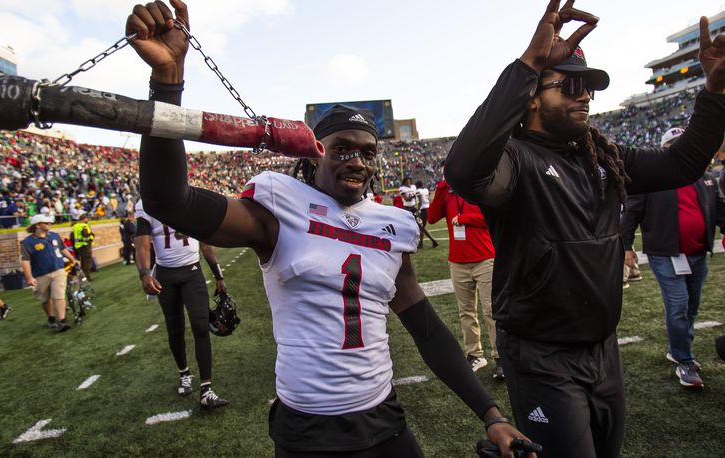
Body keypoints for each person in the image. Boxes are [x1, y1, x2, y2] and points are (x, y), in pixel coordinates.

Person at [128, 2, 530, 456]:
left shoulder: (392, 225)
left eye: (366, 152)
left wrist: (491, 415)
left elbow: (427, 330)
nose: (356, 160)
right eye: (341, 149)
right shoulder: (278, 209)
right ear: (314, 155)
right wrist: (167, 82)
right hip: (307, 430)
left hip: (384, 419)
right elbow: (168, 200)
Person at [444, 1, 725, 456]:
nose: (585, 96)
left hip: (602, 347)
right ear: (532, 95)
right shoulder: (514, 159)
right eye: (570, 85)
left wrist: (714, 92)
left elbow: (683, 163)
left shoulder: (603, 156)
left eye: (589, 88)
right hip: (541, 356)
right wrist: (529, 64)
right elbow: (462, 171)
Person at [620, 127, 725, 389]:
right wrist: (626, 245)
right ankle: (684, 359)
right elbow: (631, 213)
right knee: (678, 305)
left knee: (691, 306)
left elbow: (719, 210)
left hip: (698, 252)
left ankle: (679, 347)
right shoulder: (651, 179)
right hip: (666, 253)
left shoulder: (705, 177)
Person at [134, 199, 229, 410]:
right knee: (174, 327)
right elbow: (142, 243)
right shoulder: (146, 204)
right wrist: (143, 273)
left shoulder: (190, 198)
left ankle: (206, 389)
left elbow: (205, 242)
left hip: (192, 272)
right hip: (165, 274)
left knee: (200, 325)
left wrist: (218, 276)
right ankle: (184, 373)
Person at [427, 175, 500, 379]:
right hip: (458, 261)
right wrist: (442, 187)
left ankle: (500, 357)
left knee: (491, 310)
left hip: (485, 259)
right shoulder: (448, 194)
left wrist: (466, 219)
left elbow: (493, 217)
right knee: (466, 312)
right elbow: (432, 217)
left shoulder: (479, 189)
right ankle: (475, 354)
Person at [21, 214, 77, 331]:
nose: (49, 224)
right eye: (46, 223)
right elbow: (25, 261)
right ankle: (51, 318)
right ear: (37, 225)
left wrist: (72, 259)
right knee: (45, 299)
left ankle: (62, 320)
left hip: (58, 269)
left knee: (59, 295)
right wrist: (29, 277)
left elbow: (62, 249)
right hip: (40, 273)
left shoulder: (54, 236)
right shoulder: (27, 242)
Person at [414, 181, 439, 249]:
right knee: (421, 227)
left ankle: (433, 241)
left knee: (421, 227)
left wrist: (418, 209)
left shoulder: (418, 190)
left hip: (422, 209)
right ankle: (421, 243)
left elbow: (420, 200)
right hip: (428, 208)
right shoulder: (425, 190)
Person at [72, 212, 95, 280]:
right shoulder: (84, 225)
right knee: (88, 261)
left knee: (83, 261)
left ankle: (82, 276)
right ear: (84, 219)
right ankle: (87, 276)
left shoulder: (75, 226)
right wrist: (91, 234)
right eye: (87, 219)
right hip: (85, 245)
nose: (88, 220)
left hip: (78, 246)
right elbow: (85, 234)